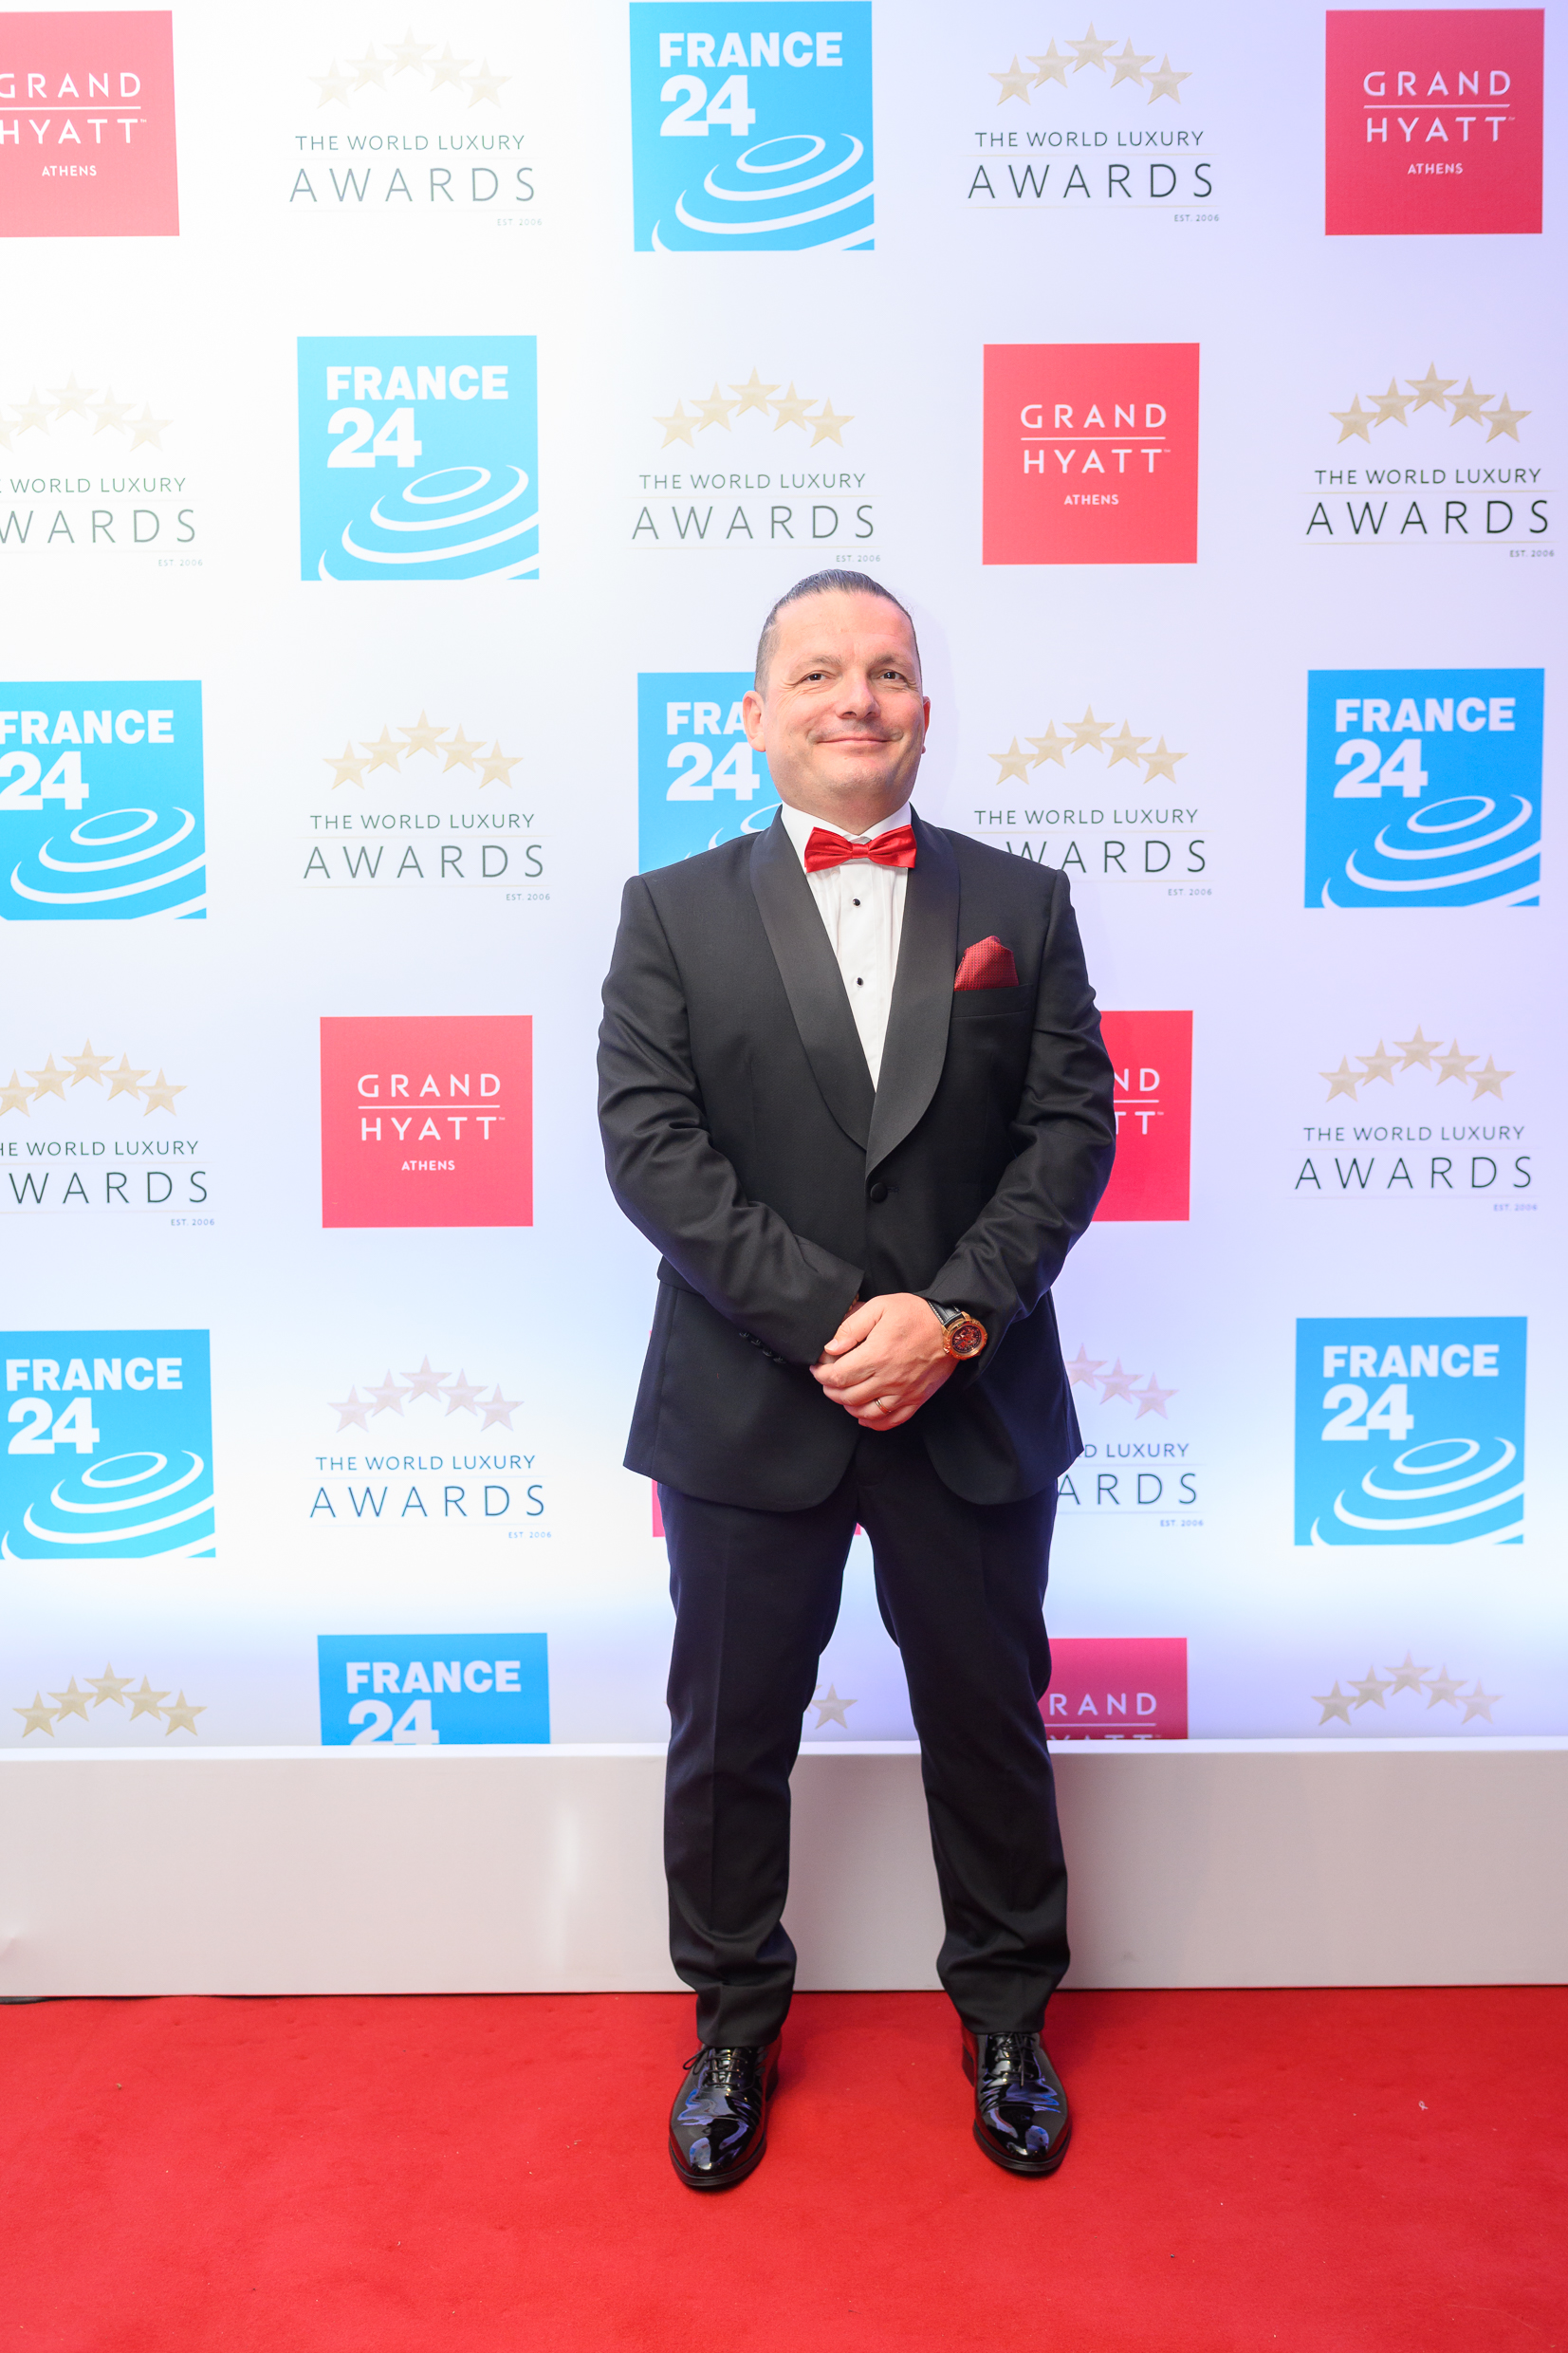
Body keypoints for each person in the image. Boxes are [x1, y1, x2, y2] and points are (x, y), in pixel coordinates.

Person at [598, 571, 1116, 2189]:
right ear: (755, 718)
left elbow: (1069, 1136)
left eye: (886, 671)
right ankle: (730, 2028)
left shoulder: (1023, 904)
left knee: (987, 1720)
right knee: (729, 1732)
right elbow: (651, 1149)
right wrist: (845, 1325)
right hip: (749, 1402)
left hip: (972, 1398)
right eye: (818, 673)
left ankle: (1007, 2020)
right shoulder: (667, 910)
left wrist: (946, 1322)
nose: (857, 698)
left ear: (924, 711)